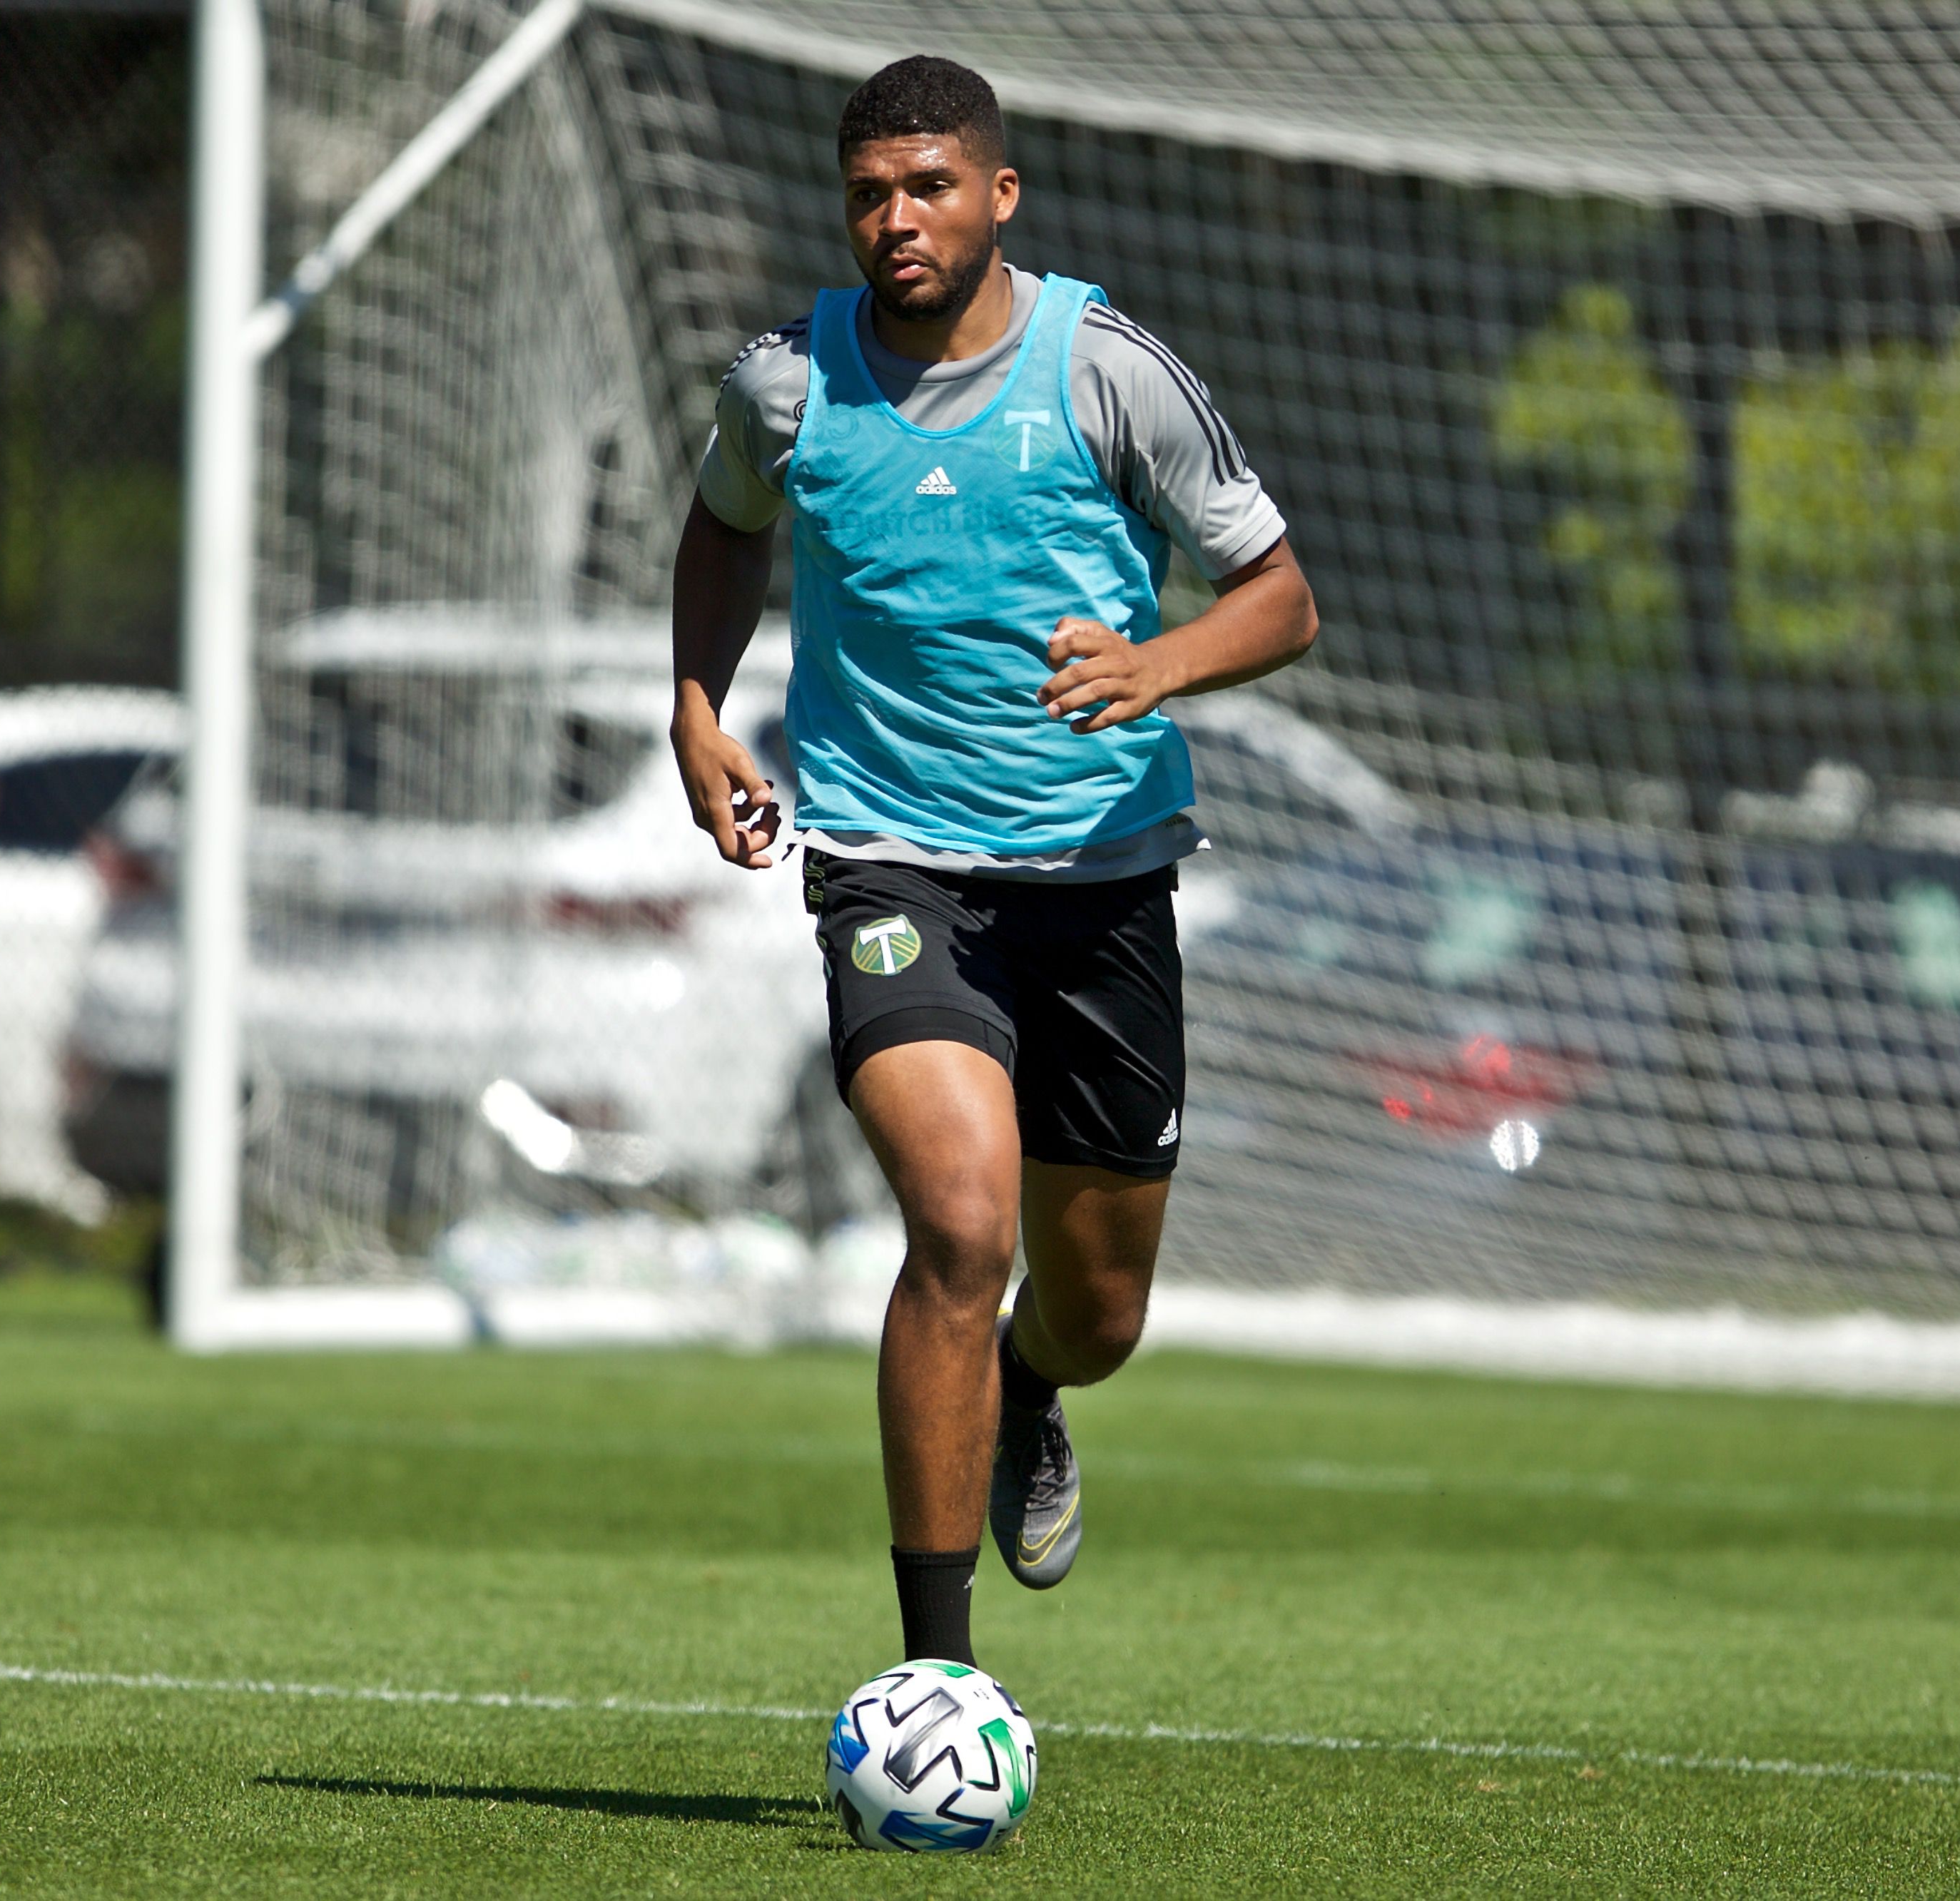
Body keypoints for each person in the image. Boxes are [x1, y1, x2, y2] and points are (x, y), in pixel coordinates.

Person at [669, 56, 1316, 1672]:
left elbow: (1280, 596)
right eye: (870, 193)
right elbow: (721, 524)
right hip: (895, 872)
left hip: (1098, 878)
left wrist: (1159, 665)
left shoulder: (1104, 369)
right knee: (958, 1221)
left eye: (930, 186)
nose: (896, 219)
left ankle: (1031, 1383)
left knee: (1094, 1313)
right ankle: (933, 1675)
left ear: (997, 194)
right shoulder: (784, 384)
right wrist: (693, 708)